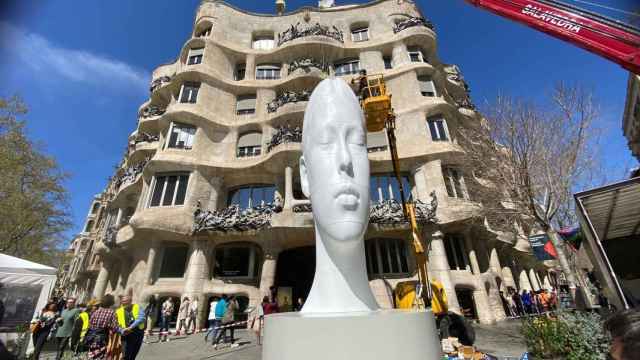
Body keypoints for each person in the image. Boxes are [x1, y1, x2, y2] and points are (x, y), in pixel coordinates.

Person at [86, 294, 122, 360]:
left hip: (91, 337)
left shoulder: (96, 312)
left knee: (91, 355)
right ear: (111, 303)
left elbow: (89, 324)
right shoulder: (111, 313)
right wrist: (122, 330)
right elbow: (115, 327)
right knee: (99, 356)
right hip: (101, 338)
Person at [115, 295, 145, 360]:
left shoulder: (137, 307)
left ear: (130, 301)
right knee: (125, 354)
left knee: (134, 353)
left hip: (138, 333)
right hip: (126, 335)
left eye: (125, 301)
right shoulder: (118, 311)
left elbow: (141, 318)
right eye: (122, 301)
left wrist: (130, 327)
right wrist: (122, 331)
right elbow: (115, 324)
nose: (123, 303)